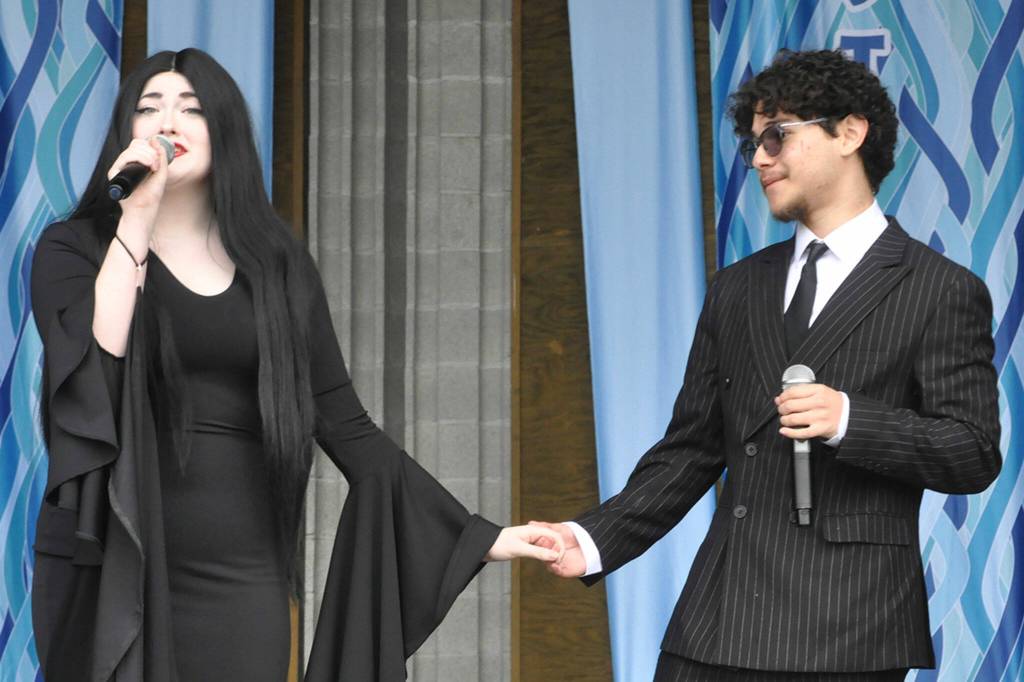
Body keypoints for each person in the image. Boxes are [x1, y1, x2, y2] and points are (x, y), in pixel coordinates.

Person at [30, 48, 561, 682]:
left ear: (224, 129)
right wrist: (135, 218)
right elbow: (95, 364)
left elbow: (347, 426)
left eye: (190, 108)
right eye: (148, 109)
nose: (167, 122)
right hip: (117, 561)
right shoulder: (74, 247)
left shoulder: (276, 267)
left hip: (242, 580)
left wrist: (479, 537)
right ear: (126, 134)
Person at [532, 49, 1001, 681]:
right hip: (715, 622)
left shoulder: (939, 288)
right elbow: (691, 450)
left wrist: (850, 420)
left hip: (851, 629)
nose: (759, 159)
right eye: (753, 143)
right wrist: (589, 539)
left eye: (777, 135)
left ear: (850, 132)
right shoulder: (737, 287)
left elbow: (971, 451)